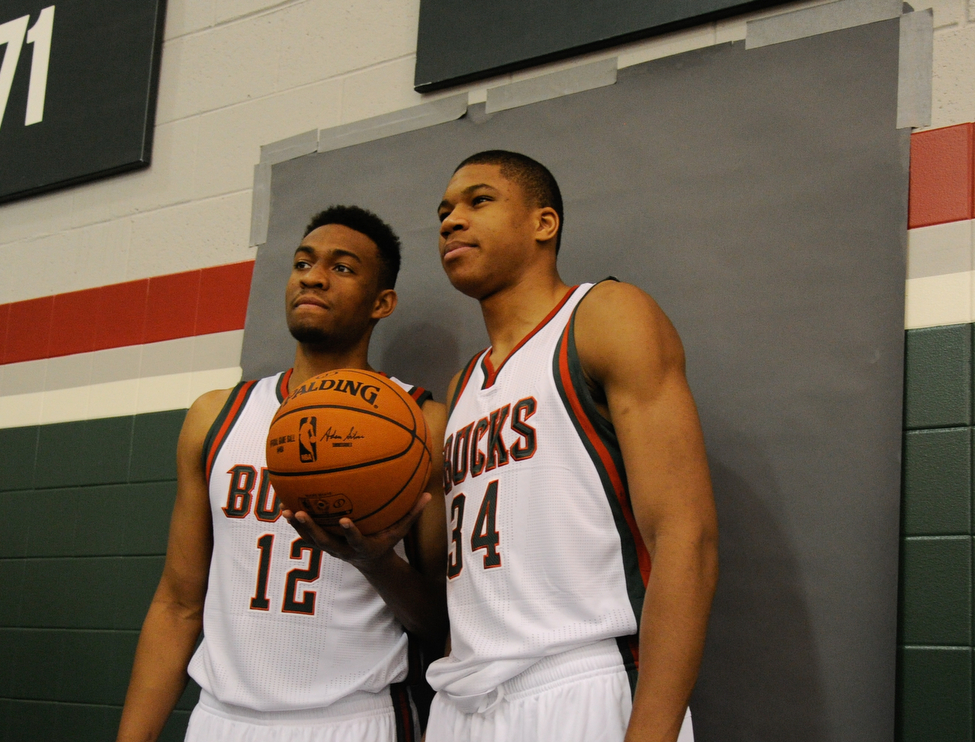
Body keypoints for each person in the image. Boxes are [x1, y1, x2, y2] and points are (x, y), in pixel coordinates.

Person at [116, 206, 448, 742]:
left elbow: (442, 621)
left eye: (342, 268)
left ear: (382, 302)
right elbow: (178, 604)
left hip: (355, 720)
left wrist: (376, 562)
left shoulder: (420, 423)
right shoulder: (215, 416)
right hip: (221, 721)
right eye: (302, 263)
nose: (312, 276)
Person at [425, 151, 718, 742]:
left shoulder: (604, 316)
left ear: (544, 223)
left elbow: (687, 537)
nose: (451, 220)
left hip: (582, 680)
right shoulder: (457, 391)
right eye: (444, 211)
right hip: (462, 697)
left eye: (478, 201)